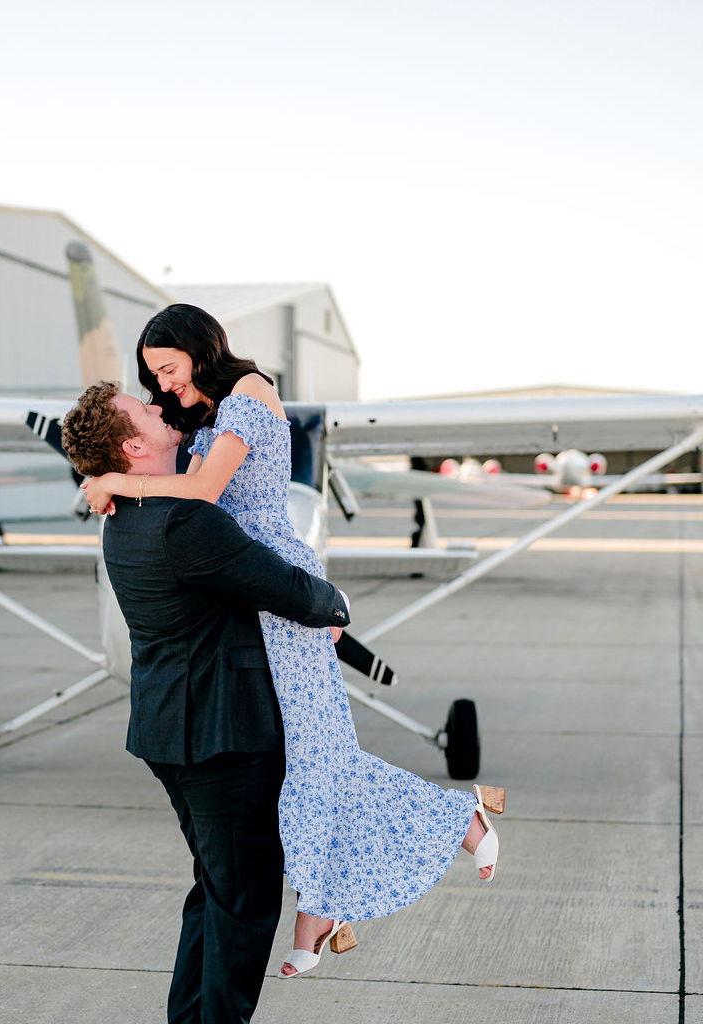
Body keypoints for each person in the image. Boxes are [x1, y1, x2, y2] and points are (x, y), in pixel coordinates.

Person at [81, 304, 506, 979]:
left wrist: (114, 480)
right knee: (309, 758)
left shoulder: (250, 393)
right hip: (242, 585)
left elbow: (203, 490)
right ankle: (321, 906)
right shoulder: (204, 412)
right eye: (151, 375)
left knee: (317, 754)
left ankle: (458, 821)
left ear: (199, 347)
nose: (161, 384)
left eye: (166, 367)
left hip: (271, 580)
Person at [61, 380, 353, 1024]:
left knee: (217, 889)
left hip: (170, 730)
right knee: (244, 902)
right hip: (221, 737)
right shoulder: (185, 519)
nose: (159, 405)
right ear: (133, 446)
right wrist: (336, 605)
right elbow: (288, 589)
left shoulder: (126, 514)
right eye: (143, 410)